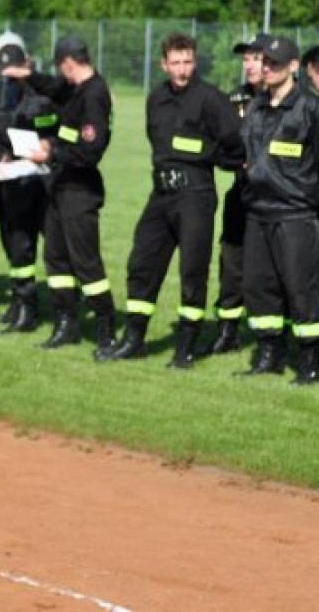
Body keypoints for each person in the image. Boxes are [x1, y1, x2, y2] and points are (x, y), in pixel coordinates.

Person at [103, 32, 244, 368]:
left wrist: (207, 156)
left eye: (188, 62)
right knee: (142, 263)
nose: (182, 70)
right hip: (161, 194)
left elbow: (235, 145)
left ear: (195, 62)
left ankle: (185, 349)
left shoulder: (211, 99)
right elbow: (159, 143)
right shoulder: (156, 99)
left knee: (192, 270)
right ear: (163, 64)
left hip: (195, 194)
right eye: (176, 63)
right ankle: (134, 340)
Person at [5, 35, 117, 356]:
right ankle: (65, 323)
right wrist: (26, 76)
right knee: (55, 257)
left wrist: (50, 156)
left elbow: (91, 152)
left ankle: (106, 326)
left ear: (68, 62)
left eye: (60, 68)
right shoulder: (74, 88)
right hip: (60, 186)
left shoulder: (94, 94)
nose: (60, 76)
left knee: (86, 263)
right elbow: (53, 88)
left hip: (80, 190)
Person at [240, 37, 319, 383]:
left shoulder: (310, 108)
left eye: (275, 62)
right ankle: (269, 354)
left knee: (301, 290)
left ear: (293, 66)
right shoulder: (256, 107)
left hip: (295, 213)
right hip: (258, 211)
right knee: (259, 288)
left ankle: (310, 362)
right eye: (265, 62)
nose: (267, 68)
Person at [0, 33, 57, 334]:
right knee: (14, 244)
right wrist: (0, 155)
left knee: (42, 245)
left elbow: (55, 134)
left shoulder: (43, 100)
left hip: (41, 183)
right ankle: (20, 300)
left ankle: (39, 308)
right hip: (9, 183)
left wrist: (43, 149)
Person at [208, 33, 269, 354]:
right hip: (241, 195)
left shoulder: (289, 98)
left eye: (256, 58)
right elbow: (218, 147)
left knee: (274, 270)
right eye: (245, 58)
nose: (250, 65)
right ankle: (227, 331)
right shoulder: (234, 100)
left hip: (280, 199)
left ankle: (274, 338)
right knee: (231, 264)